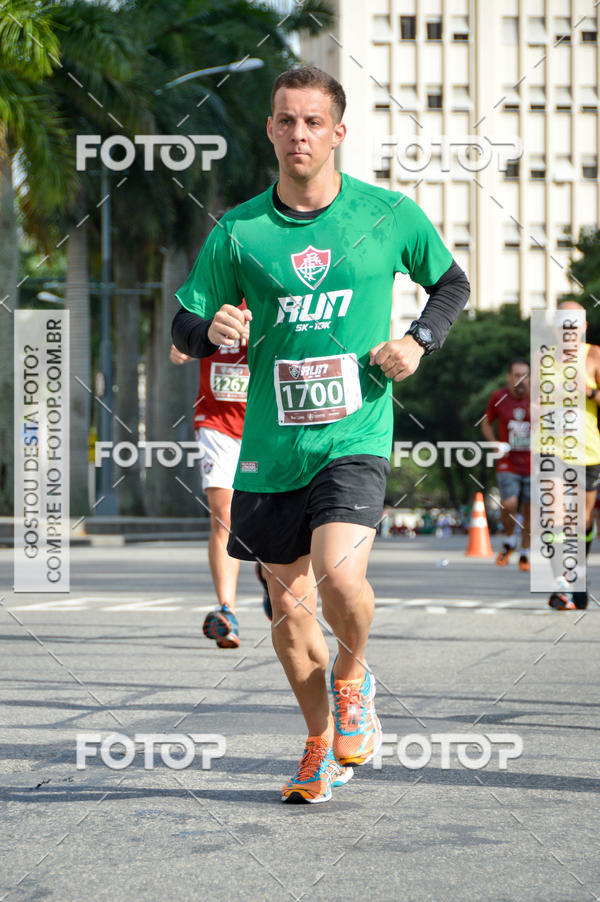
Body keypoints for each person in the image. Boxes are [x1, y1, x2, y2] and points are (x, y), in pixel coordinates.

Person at [172, 66, 470, 803]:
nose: (298, 133)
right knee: (289, 611)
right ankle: (315, 744)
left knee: (340, 577)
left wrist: (419, 340)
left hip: (356, 432)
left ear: (338, 132)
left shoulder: (387, 214)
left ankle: (353, 675)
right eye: (285, 121)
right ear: (270, 130)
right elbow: (184, 321)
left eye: (312, 122)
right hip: (270, 451)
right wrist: (211, 330)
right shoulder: (240, 231)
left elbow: (451, 283)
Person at [169, 324, 272, 647]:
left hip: (265, 423)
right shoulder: (213, 292)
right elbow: (188, 331)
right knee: (223, 515)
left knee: (269, 516)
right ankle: (227, 611)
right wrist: (185, 344)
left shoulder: (272, 285)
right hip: (216, 422)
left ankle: (267, 572)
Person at [545, 301, 600, 611]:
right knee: (554, 518)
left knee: (582, 523)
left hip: (588, 451)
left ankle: (577, 572)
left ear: (583, 326)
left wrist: (588, 391)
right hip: (552, 448)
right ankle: (561, 584)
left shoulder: (594, 356)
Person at [481, 359, 531, 571]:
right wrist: (494, 444)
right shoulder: (498, 397)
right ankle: (510, 539)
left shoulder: (539, 398)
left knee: (531, 510)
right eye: (517, 374)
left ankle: (525, 554)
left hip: (534, 463)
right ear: (509, 377)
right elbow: (485, 422)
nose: (522, 379)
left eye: (526, 375)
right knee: (509, 504)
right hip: (508, 462)